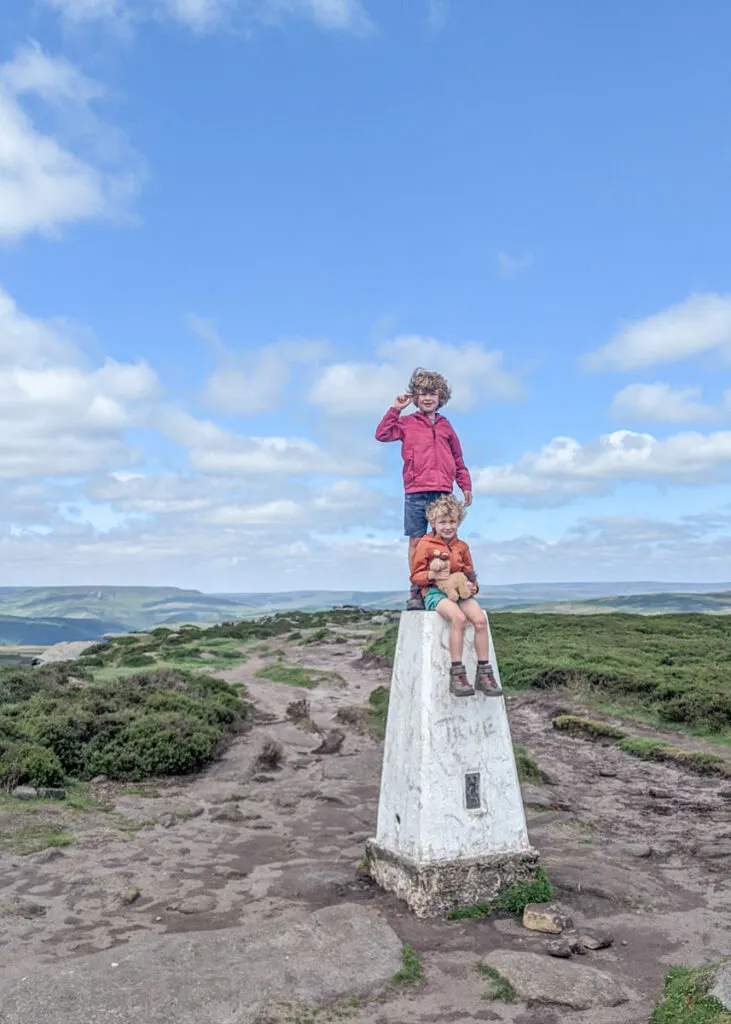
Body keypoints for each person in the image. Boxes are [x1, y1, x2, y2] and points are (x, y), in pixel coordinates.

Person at [375, 367, 472, 611]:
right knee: (418, 541)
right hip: (416, 489)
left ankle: (446, 584)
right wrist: (396, 409)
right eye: (422, 393)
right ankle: (417, 589)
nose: (428, 398)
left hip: (442, 491)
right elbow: (382, 434)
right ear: (415, 397)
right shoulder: (406, 423)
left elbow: (458, 459)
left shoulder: (446, 426)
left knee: (445, 540)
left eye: (433, 393)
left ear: (441, 397)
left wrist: (465, 485)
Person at [410, 494, 502, 698]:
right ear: (433, 522)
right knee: (458, 619)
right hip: (434, 591)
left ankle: (484, 672)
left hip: (460, 591)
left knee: (479, 620)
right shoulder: (425, 544)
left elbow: (470, 573)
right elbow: (415, 576)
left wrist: (473, 587)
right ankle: (457, 674)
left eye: (452, 521)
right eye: (442, 522)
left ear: (459, 521)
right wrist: (432, 575)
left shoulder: (462, 547)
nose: (448, 526)